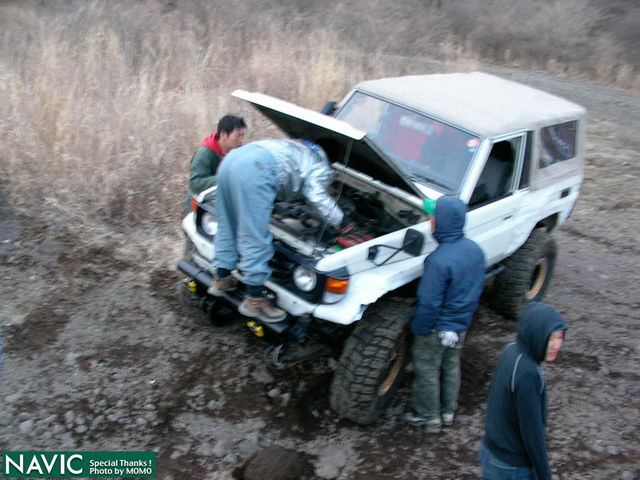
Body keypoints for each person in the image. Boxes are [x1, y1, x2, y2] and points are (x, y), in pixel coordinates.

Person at [207, 138, 353, 323]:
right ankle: (255, 299)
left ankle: (221, 278)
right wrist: (341, 220)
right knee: (255, 237)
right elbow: (316, 195)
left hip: (232, 160)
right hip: (255, 171)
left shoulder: (295, 147)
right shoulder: (320, 165)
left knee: (227, 222)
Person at [406, 195, 486, 433]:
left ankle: (429, 417)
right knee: (451, 366)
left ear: (440, 222)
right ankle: (448, 412)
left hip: (437, 327)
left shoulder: (438, 261)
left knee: (427, 369)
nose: (430, 219)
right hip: (460, 324)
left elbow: (429, 303)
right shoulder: (475, 250)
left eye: (432, 216)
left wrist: (419, 328)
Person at [479, 302, 567, 480]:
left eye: (560, 336)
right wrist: (544, 474)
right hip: (511, 468)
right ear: (536, 334)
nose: (556, 345)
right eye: (550, 338)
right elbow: (532, 434)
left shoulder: (511, 350)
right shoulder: (528, 374)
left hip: (491, 453)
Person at [184, 115, 247, 211]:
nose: (241, 140)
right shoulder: (204, 154)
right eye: (237, 136)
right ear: (223, 135)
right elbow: (195, 184)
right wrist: (225, 178)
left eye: (242, 135)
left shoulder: (235, 151)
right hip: (200, 207)